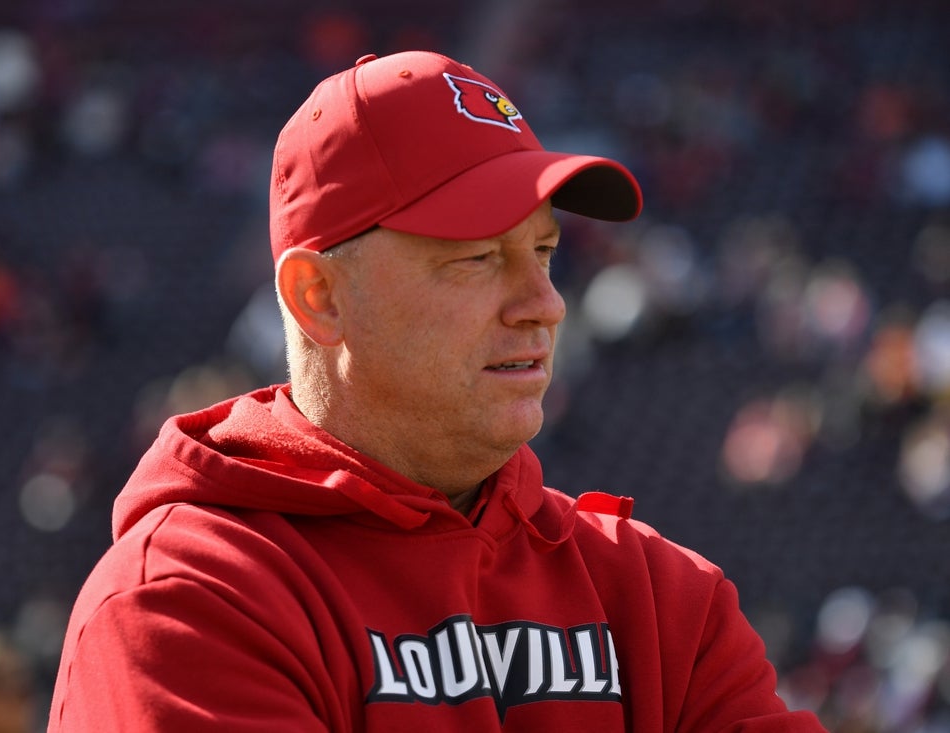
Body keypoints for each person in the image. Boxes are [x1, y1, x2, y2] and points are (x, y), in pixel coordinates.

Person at [48, 50, 827, 731]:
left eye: (543, 252)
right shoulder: (188, 597)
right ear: (319, 296)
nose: (544, 303)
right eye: (477, 258)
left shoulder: (660, 595)